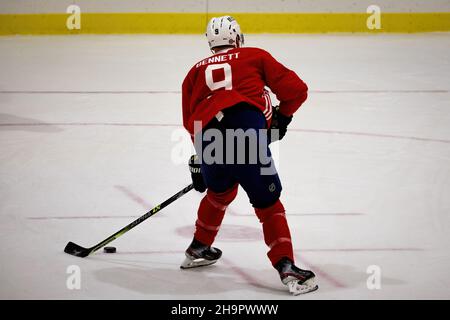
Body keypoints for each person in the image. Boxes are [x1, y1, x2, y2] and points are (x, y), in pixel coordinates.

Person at [180, 15, 318, 295]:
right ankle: (287, 267)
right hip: (246, 133)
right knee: (269, 203)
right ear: (238, 39)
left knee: (219, 193)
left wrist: (200, 161)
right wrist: (284, 117)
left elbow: (191, 121)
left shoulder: (194, 71)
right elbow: (297, 91)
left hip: (208, 139)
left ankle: (199, 247)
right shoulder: (254, 56)